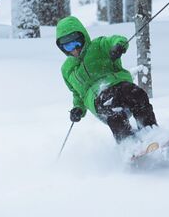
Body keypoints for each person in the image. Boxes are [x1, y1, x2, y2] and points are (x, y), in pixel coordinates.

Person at [56, 15, 157, 143]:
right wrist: (78, 109)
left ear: (83, 37)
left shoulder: (98, 46)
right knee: (110, 104)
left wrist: (118, 46)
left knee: (137, 95)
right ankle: (128, 143)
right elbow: (77, 93)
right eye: (68, 46)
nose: (75, 49)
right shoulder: (67, 69)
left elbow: (115, 40)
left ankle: (150, 131)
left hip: (118, 83)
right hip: (97, 98)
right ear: (62, 48)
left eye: (77, 42)